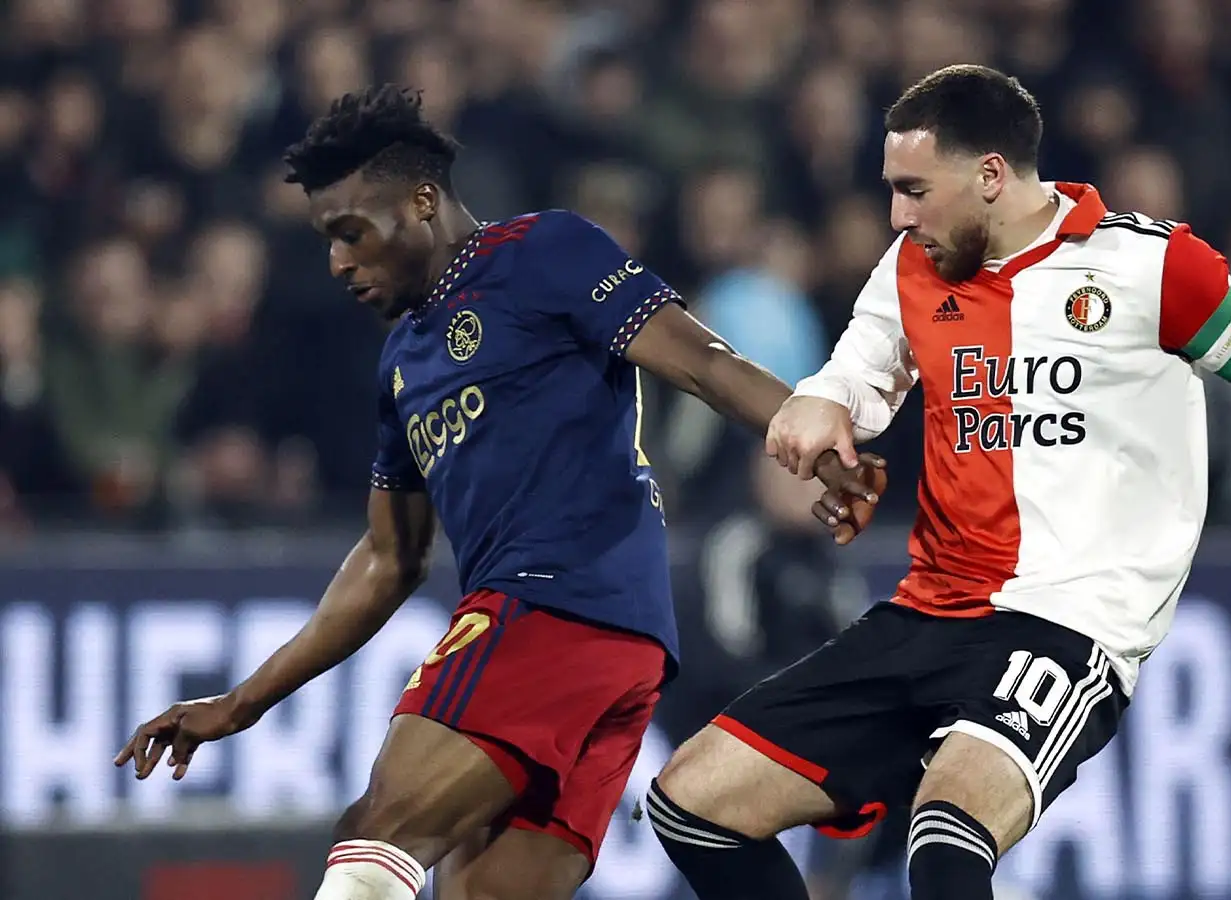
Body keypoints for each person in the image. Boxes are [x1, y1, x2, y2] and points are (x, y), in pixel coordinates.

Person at [645, 64, 1231, 900]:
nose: (897, 216)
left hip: (1070, 623)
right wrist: (821, 404)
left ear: (992, 176)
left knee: (944, 838)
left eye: (914, 191)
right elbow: (861, 373)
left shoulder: (1155, 270)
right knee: (692, 805)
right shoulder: (915, 266)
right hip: (926, 612)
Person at [113, 85, 885, 900]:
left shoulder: (542, 252)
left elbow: (702, 360)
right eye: (327, 241)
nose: (339, 261)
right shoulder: (401, 365)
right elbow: (389, 558)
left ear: (420, 200)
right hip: (618, 646)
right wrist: (243, 701)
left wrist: (815, 434)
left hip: (550, 607)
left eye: (351, 233)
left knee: (378, 829)